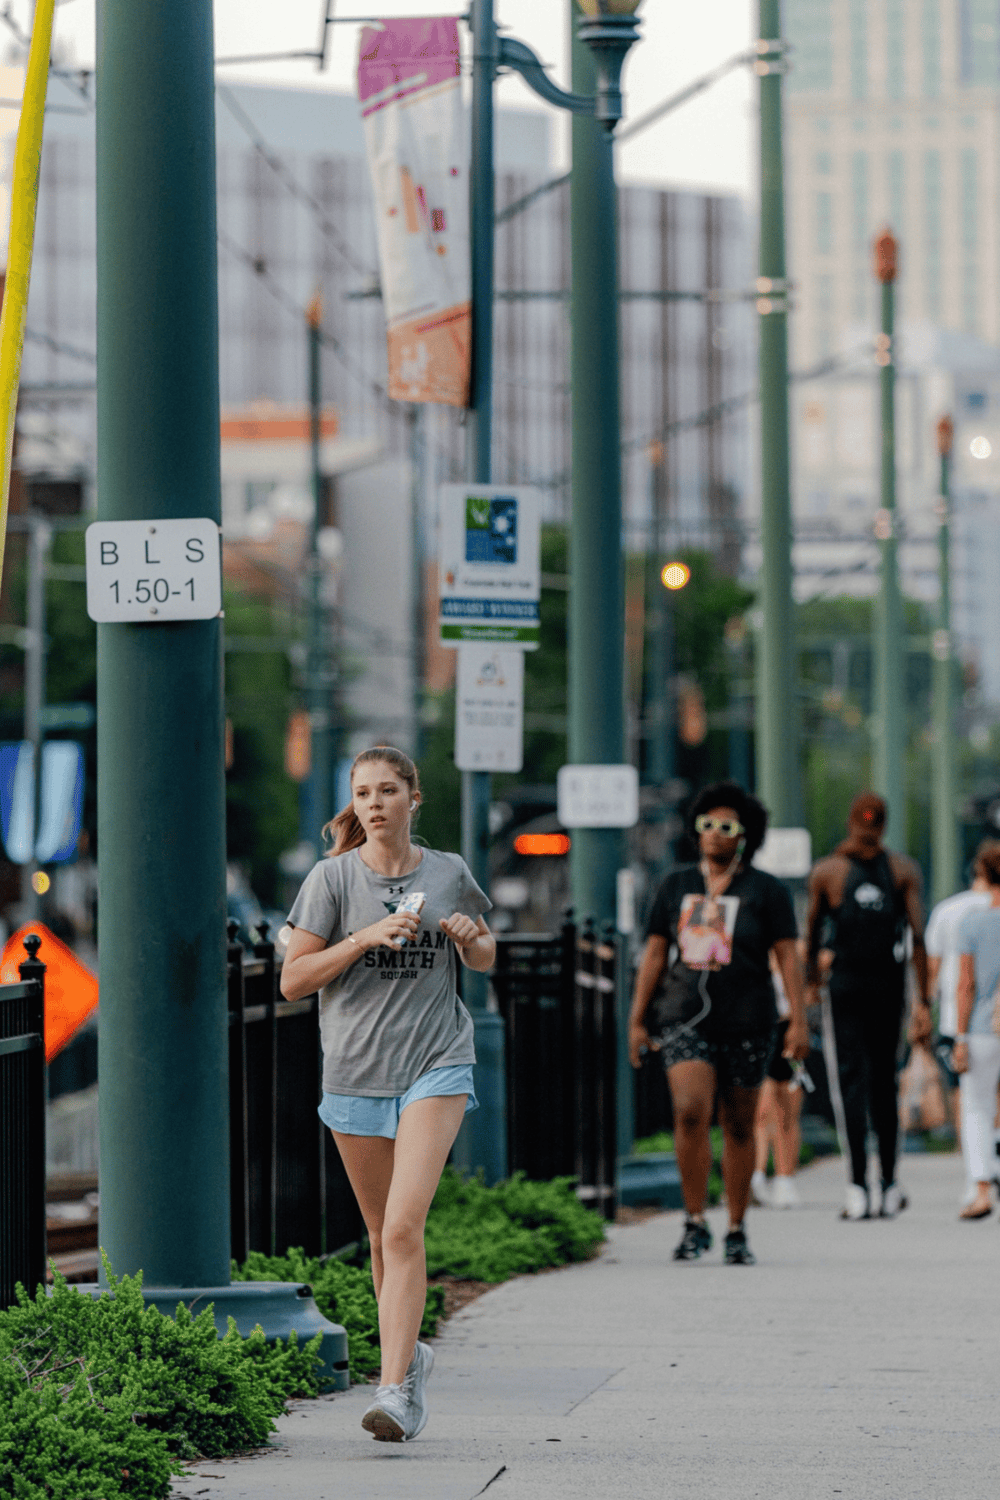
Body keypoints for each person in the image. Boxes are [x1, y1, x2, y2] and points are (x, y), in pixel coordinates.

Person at [280, 746, 495, 1442]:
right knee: (380, 1237)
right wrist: (363, 937)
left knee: (404, 1227)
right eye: (364, 793)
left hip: (435, 1063)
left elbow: (488, 949)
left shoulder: (449, 873)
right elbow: (294, 979)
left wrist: (468, 940)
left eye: (388, 791)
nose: (375, 804)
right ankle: (410, 1357)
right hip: (354, 1074)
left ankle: (394, 1389)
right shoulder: (332, 879)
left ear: (413, 799)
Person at [628, 781, 809, 1266]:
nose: (715, 834)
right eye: (706, 824)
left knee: (740, 1125)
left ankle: (735, 1226)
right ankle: (693, 1221)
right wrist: (637, 1020)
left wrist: (799, 1021)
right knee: (690, 1110)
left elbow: (788, 959)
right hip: (684, 1015)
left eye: (726, 826)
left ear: (745, 834)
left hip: (750, 1019)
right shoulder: (676, 885)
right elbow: (654, 955)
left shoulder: (765, 890)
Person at [805, 792, 931, 1221]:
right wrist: (923, 1001)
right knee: (879, 1084)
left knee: (854, 1084)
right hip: (883, 984)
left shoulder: (828, 871)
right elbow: (917, 937)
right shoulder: (900, 869)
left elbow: (812, 934)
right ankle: (884, 1184)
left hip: (848, 985)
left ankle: (861, 1186)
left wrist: (809, 985)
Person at [925, 849, 991, 1184]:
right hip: (993, 1018)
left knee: (966, 1096)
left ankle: (974, 1170)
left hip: (960, 1017)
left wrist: (924, 1008)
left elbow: (934, 970)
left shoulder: (949, 911)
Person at [953, 841, 1000, 1220]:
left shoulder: (973, 923)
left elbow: (965, 985)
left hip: (985, 1028)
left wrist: (960, 1036)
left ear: (983, 876)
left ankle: (982, 1189)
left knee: (977, 1108)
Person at [751, 946, 808, 1209]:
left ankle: (786, 1178)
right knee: (762, 1111)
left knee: (788, 1112)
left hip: (790, 1030)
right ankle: (758, 1175)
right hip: (762, 1030)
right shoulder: (756, 946)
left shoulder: (796, 949)